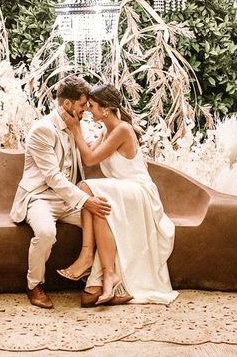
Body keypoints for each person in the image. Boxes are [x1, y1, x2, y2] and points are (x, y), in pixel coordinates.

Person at [57, 83, 179, 306]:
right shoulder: (106, 130)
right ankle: (109, 274)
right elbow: (88, 152)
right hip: (123, 192)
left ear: (105, 109)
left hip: (139, 191)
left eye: (91, 106)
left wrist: (76, 130)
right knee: (98, 204)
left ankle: (86, 256)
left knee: (86, 188)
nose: (88, 110)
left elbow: (90, 159)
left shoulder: (122, 129)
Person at [10, 75, 113, 309]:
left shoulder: (75, 126)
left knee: (105, 222)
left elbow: (88, 154)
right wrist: (86, 199)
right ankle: (34, 285)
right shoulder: (42, 130)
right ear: (67, 104)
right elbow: (53, 178)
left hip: (67, 200)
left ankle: (95, 282)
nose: (86, 110)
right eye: (83, 104)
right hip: (40, 197)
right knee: (46, 232)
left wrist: (111, 134)